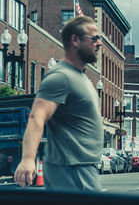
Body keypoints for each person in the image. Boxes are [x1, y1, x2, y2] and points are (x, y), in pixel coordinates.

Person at [14, 15, 103, 191]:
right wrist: (27, 159)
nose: (99, 43)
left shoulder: (79, 76)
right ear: (75, 40)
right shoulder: (60, 77)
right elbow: (37, 117)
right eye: (94, 38)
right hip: (71, 169)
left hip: (82, 167)